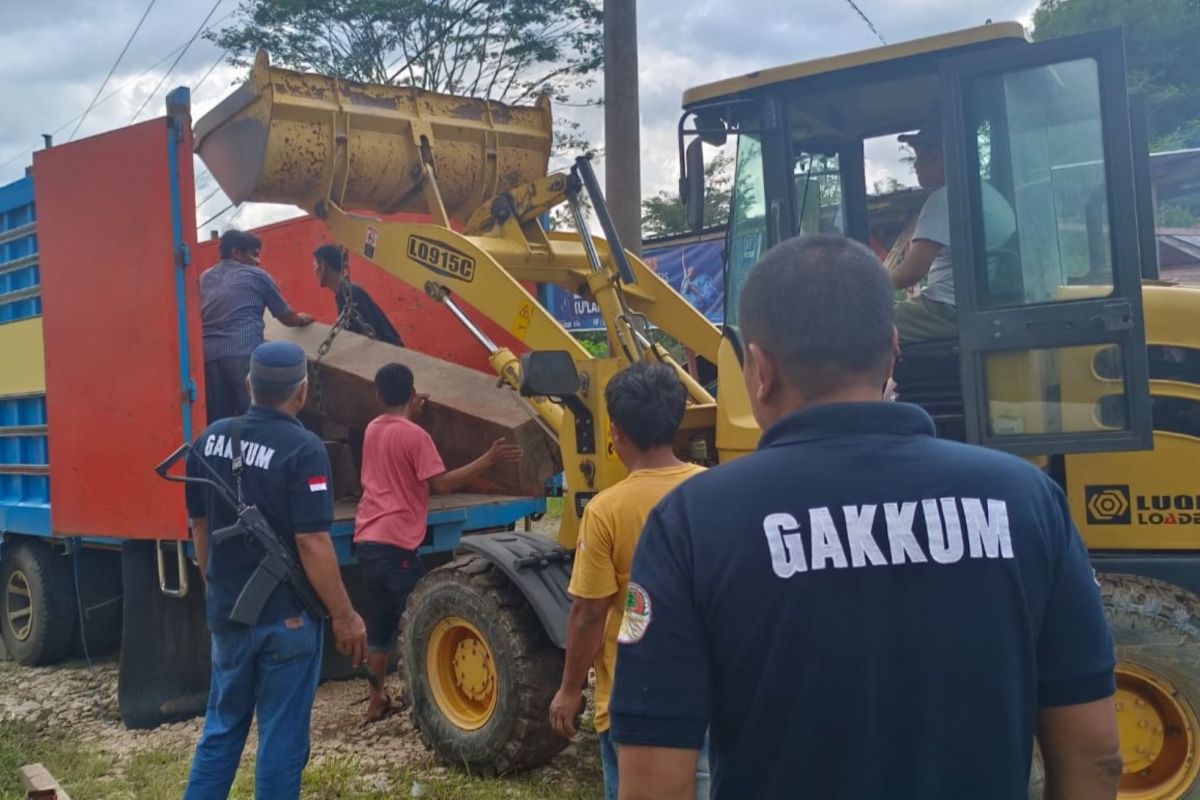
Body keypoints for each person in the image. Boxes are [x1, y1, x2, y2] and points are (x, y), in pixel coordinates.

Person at [609, 235, 1121, 800]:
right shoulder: (1029, 500)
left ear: (759, 368)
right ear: (894, 350)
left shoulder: (689, 523)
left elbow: (655, 784)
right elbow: (1095, 760)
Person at [182, 341, 368, 800]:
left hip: (228, 613)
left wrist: (216, 587)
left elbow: (200, 529)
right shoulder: (304, 448)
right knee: (282, 740)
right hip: (287, 619)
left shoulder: (208, 440)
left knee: (222, 729)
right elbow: (312, 541)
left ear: (248, 385)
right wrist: (345, 616)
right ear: (301, 393)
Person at [547, 361, 707, 800]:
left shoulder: (606, 510)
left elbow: (589, 614)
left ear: (615, 432)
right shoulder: (715, 491)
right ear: (677, 420)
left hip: (635, 700)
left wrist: (568, 689)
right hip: (709, 692)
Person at [354, 362, 522, 720]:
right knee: (422, 625)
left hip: (367, 539)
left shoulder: (371, 428)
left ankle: (376, 699)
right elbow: (441, 483)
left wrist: (408, 416)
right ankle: (427, 704)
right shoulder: (417, 437)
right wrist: (488, 459)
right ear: (413, 394)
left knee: (381, 626)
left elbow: (395, 438)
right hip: (399, 543)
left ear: (379, 395)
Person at [889, 127, 1016, 343]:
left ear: (937, 156)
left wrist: (866, 282)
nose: (915, 166)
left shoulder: (943, 199)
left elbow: (910, 273)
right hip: (969, 306)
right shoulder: (987, 195)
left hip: (946, 311)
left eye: (919, 158)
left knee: (861, 326)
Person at [200, 230, 314, 423]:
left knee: (219, 422)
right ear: (236, 252)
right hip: (242, 354)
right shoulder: (256, 276)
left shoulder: (204, 278)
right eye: (253, 254)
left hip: (209, 358)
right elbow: (285, 316)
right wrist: (301, 319)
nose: (258, 262)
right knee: (256, 419)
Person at [313, 243, 404, 347]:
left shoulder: (351, 294)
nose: (315, 270)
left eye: (315, 265)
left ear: (323, 266)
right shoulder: (343, 296)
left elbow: (368, 336)